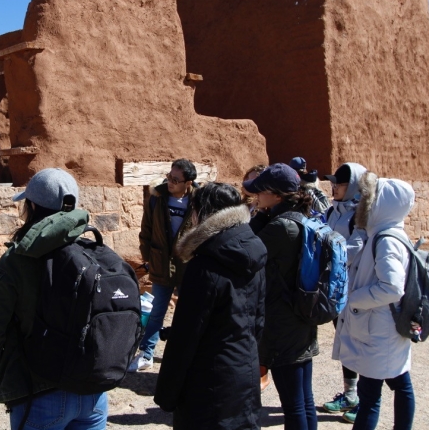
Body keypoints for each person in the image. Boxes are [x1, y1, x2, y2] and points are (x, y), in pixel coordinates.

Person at [0, 168, 108, 430]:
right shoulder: (91, 249)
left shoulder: (16, 261)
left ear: (32, 206)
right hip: (92, 392)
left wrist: (7, 375)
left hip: (38, 394)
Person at [154, 182, 266, 429]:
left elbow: (186, 336)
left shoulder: (204, 264)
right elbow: (259, 319)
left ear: (202, 214)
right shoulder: (254, 250)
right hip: (243, 370)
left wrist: (166, 394)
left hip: (208, 380)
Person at [332, 172, 416, 430]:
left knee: (371, 396)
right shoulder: (380, 234)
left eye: (368, 199)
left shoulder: (387, 240)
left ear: (382, 204)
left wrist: (352, 300)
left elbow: (391, 288)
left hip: (379, 329)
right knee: (396, 384)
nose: (361, 204)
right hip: (379, 327)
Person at [244, 163, 319, 430]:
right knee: (304, 400)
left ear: (276, 195)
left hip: (282, 323)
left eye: (261, 191)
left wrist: (260, 216)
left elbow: (248, 253)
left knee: (294, 405)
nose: (256, 197)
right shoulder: (301, 217)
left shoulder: (280, 228)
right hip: (300, 317)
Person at [129, 158, 198, 372]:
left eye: (176, 179)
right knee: (157, 311)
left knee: (189, 311)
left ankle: (185, 355)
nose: (170, 182)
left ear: (189, 182)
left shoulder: (199, 201)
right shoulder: (157, 198)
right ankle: (147, 353)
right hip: (161, 263)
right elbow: (146, 230)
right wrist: (148, 256)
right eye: (169, 177)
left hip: (188, 265)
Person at [320, 162, 368, 423]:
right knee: (345, 341)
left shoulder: (361, 213)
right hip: (337, 289)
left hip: (356, 289)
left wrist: (327, 257)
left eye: (338, 183)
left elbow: (355, 248)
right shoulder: (332, 211)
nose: (333, 187)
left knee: (359, 343)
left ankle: (366, 400)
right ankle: (350, 394)